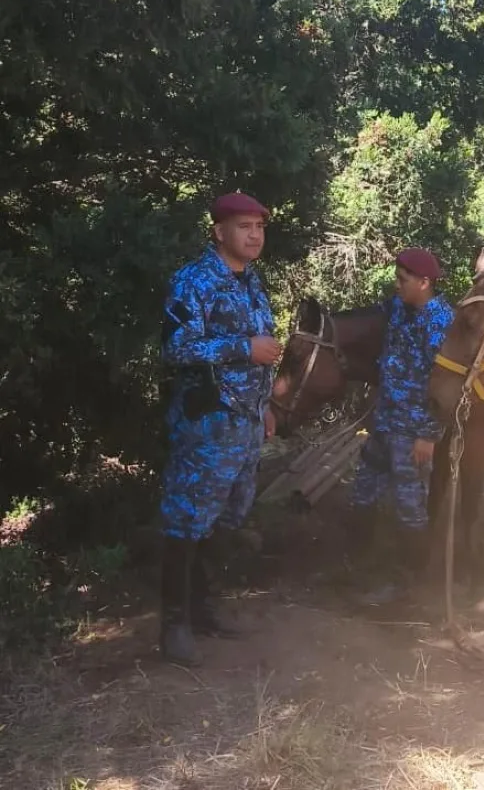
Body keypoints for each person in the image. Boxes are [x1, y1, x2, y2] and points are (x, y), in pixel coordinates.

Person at [158, 192, 282, 666]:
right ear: (219, 232)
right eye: (244, 226)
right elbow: (175, 349)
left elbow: (261, 352)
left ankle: (203, 608)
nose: (254, 235)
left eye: (260, 227)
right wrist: (241, 347)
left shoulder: (252, 283)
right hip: (206, 426)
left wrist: (265, 405)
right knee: (186, 518)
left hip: (246, 424)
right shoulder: (193, 281)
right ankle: (173, 628)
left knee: (224, 517)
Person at [346, 247, 454, 606]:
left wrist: (428, 434)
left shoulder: (441, 323)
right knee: (363, 492)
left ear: (425, 283)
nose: (396, 285)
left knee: (410, 505)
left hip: (413, 431)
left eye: (403, 280)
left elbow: (444, 386)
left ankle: (408, 582)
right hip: (385, 423)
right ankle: (359, 568)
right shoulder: (398, 309)